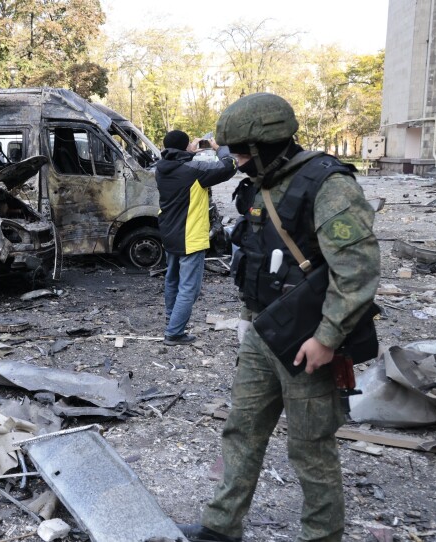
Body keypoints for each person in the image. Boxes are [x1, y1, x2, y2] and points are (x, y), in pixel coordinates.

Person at [178, 93, 381, 541]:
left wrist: (328, 338)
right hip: (261, 331)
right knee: (242, 430)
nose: (237, 161)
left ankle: (322, 535)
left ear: (269, 145)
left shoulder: (328, 183)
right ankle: (221, 527)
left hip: (308, 342)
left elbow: (358, 269)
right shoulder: (260, 182)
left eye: (243, 152)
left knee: (311, 448)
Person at [156, 129, 238, 346]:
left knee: (172, 278)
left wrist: (188, 151)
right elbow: (228, 166)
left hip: (169, 232)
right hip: (189, 235)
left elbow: (181, 163)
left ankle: (171, 318)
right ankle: (174, 332)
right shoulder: (193, 170)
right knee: (189, 287)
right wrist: (218, 148)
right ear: (184, 148)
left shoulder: (161, 168)